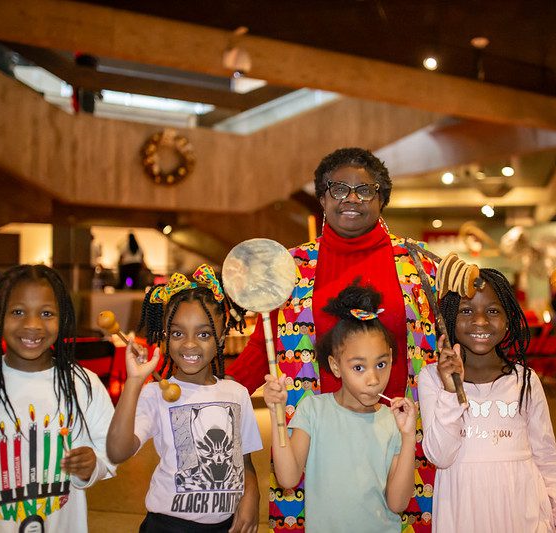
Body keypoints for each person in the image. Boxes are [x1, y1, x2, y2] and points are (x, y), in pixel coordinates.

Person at [225, 147, 439, 532]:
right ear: (322, 198)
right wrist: (213, 397)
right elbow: (262, 348)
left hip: (401, 438)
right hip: (315, 440)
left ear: (382, 198)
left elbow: (448, 342)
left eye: (365, 189)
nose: (352, 198)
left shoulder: (420, 265)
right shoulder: (288, 268)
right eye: (338, 189)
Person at [0, 264, 115, 532]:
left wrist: (92, 465)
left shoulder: (82, 384)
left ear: (62, 318)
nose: (32, 325)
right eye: (18, 312)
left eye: (46, 313)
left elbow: (109, 451)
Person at [418, 268, 556, 533]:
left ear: (508, 320)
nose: (480, 321)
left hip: (523, 510)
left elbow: (548, 457)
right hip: (463, 512)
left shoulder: (525, 380)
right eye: (466, 311)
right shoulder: (433, 378)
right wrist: (451, 390)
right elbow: (441, 455)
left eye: (493, 311)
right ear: (448, 319)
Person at [107, 265, 261, 533]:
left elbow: (243, 459)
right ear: (166, 336)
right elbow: (117, 451)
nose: (189, 344)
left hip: (225, 526)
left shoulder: (236, 393)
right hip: (167, 526)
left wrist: (251, 496)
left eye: (203, 334)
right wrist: (133, 382)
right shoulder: (155, 394)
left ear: (221, 337)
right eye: (178, 333)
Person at [262, 283, 417, 532]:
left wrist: (409, 436)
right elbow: (288, 478)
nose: (373, 379)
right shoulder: (313, 410)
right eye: (358, 367)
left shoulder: (393, 420)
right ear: (336, 366)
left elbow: (398, 503)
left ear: (390, 357)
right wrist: (275, 411)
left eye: (381, 364)